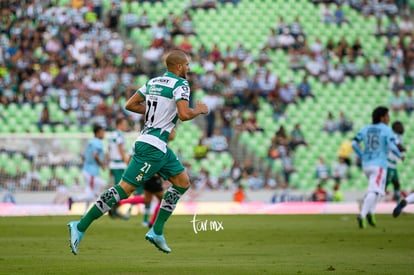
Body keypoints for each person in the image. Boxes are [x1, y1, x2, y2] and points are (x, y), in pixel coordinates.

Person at [68, 49, 209, 255]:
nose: (188, 68)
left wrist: (156, 111)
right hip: (151, 148)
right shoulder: (181, 84)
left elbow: (130, 104)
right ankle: (79, 226)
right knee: (124, 189)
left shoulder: (153, 82)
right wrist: (200, 110)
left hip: (159, 146)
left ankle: (157, 231)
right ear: (179, 67)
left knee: (182, 182)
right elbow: (185, 114)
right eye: (186, 65)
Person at [352, 106, 404, 229]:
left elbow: (354, 143)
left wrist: (362, 155)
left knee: (379, 191)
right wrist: (400, 155)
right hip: (379, 164)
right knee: (375, 190)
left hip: (366, 165)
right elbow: (391, 145)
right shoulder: (386, 130)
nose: (389, 118)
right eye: (387, 116)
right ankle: (362, 215)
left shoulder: (365, 129)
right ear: (382, 117)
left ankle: (371, 213)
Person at [68, 124, 107, 213]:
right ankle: (74, 199)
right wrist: (102, 165)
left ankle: (85, 213)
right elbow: (95, 155)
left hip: (87, 170)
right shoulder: (98, 142)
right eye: (102, 132)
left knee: (90, 192)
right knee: (99, 188)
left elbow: (86, 156)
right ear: (97, 133)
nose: (103, 134)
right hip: (91, 172)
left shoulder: (91, 142)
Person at [385, 121, 406, 203]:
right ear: (395, 128)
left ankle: (398, 205)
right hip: (389, 164)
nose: (402, 128)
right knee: (383, 187)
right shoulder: (394, 135)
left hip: (393, 164)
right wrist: (402, 149)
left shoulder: (398, 136)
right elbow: (397, 145)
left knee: (396, 184)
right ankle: (367, 201)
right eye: (400, 126)